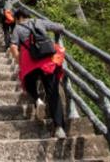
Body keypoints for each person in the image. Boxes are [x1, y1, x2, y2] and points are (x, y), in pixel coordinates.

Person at [9, 9, 67, 138]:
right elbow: (59, 27)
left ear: (18, 18)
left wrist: (19, 61)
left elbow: (13, 46)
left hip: (30, 63)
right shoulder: (39, 22)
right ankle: (59, 128)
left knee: (28, 83)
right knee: (53, 93)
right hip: (47, 61)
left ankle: (37, 99)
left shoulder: (17, 28)